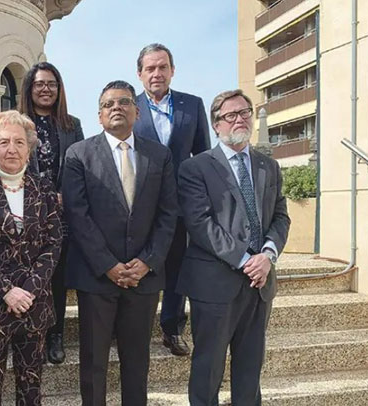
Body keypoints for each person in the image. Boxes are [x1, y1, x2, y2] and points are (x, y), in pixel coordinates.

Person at [62, 80, 178, 406]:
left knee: (137, 361)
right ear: (99, 116)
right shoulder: (79, 154)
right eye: (109, 104)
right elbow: (77, 216)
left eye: (125, 102)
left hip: (144, 278)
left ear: (137, 112)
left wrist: (148, 261)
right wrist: (109, 266)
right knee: (94, 361)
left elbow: (169, 214)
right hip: (97, 278)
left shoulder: (160, 156)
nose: (117, 108)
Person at [176, 89, 290, 405]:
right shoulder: (195, 168)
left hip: (260, 284)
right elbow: (200, 225)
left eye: (244, 112)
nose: (239, 119)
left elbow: (281, 217)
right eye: (230, 115)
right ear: (216, 125)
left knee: (250, 368)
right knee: (207, 368)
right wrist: (244, 259)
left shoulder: (269, 167)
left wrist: (267, 255)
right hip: (214, 284)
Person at [0, 110, 63, 406]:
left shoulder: (44, 190)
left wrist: (28, 289)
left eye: (19, 142)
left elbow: (53, 243)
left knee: (31, 388)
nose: (12, 149)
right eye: (3, 142)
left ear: (29, 148)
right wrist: (7, 291)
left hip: (34, 304)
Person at [133, 43, 210, 356]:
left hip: (180, 207)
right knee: (141, 266)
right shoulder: (128, 106)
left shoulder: (192, 106)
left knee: (177, 268)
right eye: (150, 68)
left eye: (162, 67)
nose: (156, 74)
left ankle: (172, 328)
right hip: (138, 206)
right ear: (139, 74)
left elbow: (203, 155)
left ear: (172, 70)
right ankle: (133, 325)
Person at [17, 61, 84, 364]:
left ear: (59, 89)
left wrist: (62, 195)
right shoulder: (17, 123)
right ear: (29, 88)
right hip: (25, 211)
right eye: (39, 83)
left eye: (51, 84)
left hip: (60, 214)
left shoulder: (72, 125)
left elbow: (80, 168)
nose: (45, 89)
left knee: (55, 276)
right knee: (27, 274)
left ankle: (54, 334)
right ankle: (30, 333)